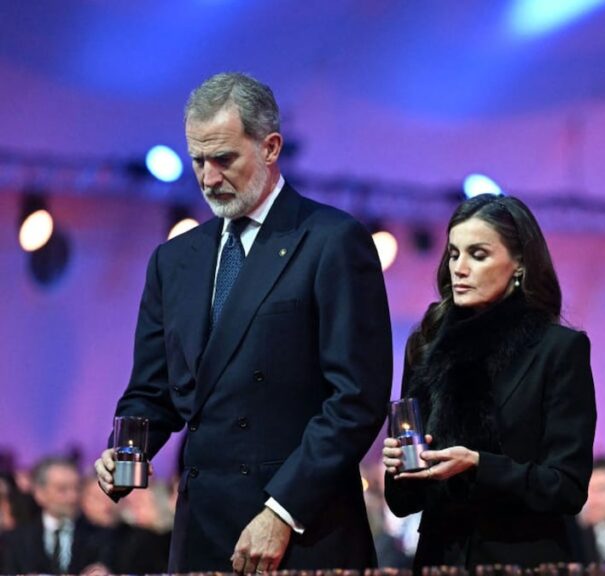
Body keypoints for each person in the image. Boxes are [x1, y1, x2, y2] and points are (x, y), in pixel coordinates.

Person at [93, 72, 393, 573]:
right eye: (198, 160)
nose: (208, 178)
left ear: (271, 147)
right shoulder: (173, 261)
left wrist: (283, 511)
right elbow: (152, 392)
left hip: (302, 531)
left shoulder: (331, 241)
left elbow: (356, 399)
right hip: (202, 534)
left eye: (224, 159)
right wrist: (125, 451)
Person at [382, 194, 597, 570]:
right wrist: (399, 466)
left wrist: (479, 465)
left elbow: (567, 487)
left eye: (478, 255)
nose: (459, 268)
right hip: (440, 560)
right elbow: (402, 503)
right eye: (453, 254)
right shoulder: (428, 344)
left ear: (519, 265)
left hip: (522, 562)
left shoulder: (559, 350)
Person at [3, 458, 109, 574]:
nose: (73, 497)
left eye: (77, 489)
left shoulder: (100, 537)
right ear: (40, 493)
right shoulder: (15, 540)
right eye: (62, 490)